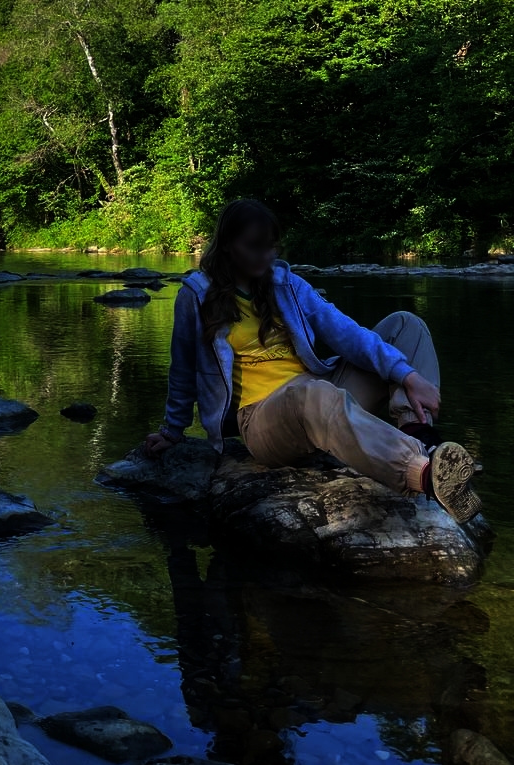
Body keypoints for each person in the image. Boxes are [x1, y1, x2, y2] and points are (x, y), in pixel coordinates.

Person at [144, 199, 482, 523]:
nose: (266, 256)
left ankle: (421, 438)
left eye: (271, 247)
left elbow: (346, 332)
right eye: (255, 247)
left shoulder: (286, 285)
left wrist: (408, 376)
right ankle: (422, 474)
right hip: (263, 420)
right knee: (313, 394)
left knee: (406, 326)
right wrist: (173, 430)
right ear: (229, 244)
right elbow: (183, 367)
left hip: (319, 395)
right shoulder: (197, 295)